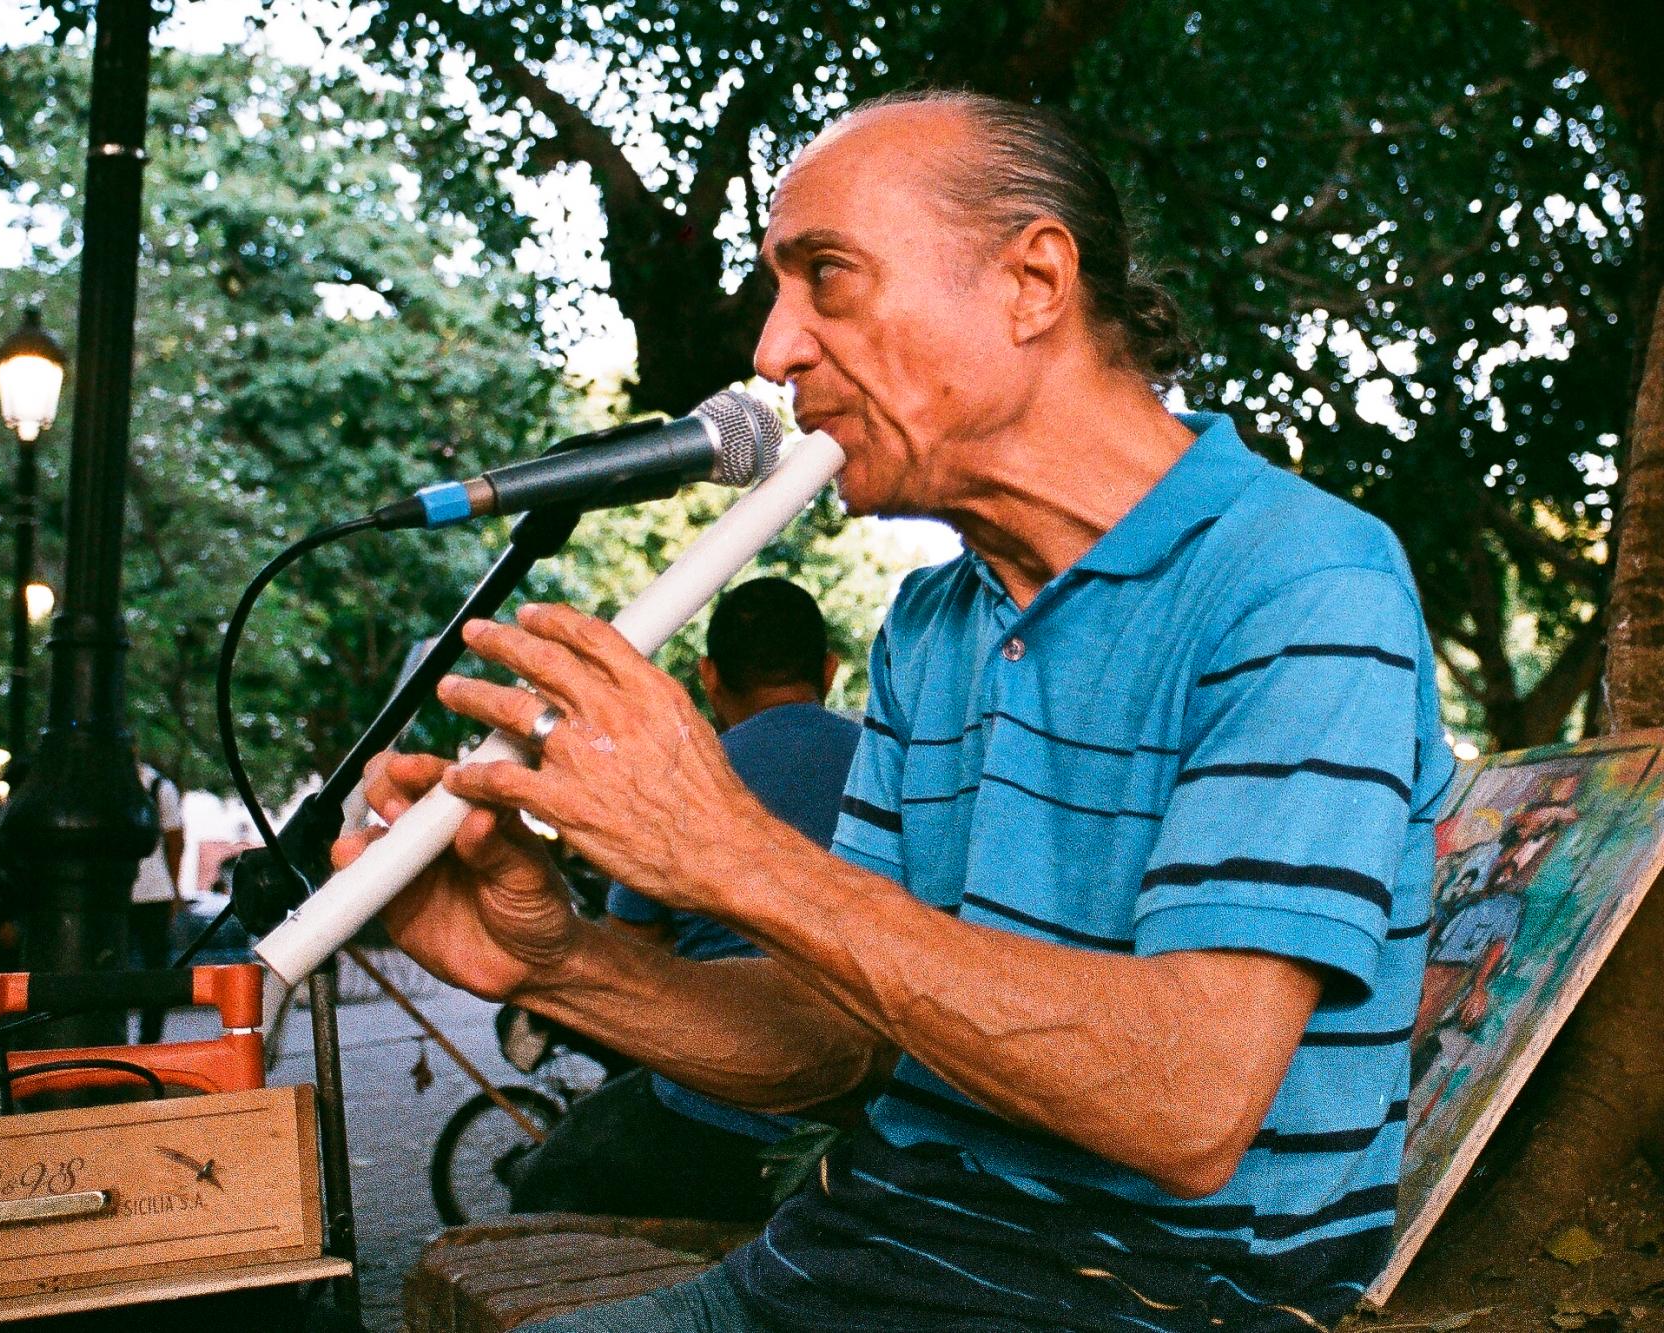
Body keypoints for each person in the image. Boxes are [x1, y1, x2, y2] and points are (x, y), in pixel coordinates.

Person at [341, 90, 1451, 1332]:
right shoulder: (934, 624)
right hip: (850, 1265)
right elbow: (841, 1040)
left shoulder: (1298, 581)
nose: (772, 352)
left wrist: (729, 852)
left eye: (827, 276)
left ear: (1031, 281)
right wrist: (559, 963)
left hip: (1128, 1303)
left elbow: (1183, 1105)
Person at [505, 578, 862, 1221]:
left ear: (707, 676)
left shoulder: (673, 785)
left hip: (717, 1102)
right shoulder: (887, 767)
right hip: (873, 1101)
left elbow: (629, 951)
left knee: (546, 1188)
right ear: (829, 670)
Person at [131, 757, 185, 1043]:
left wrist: (174, 889)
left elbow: (175, 840)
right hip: (133, 892)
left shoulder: (158, 787)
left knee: (154, 970)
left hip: (153, 891)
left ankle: (149, 1039)